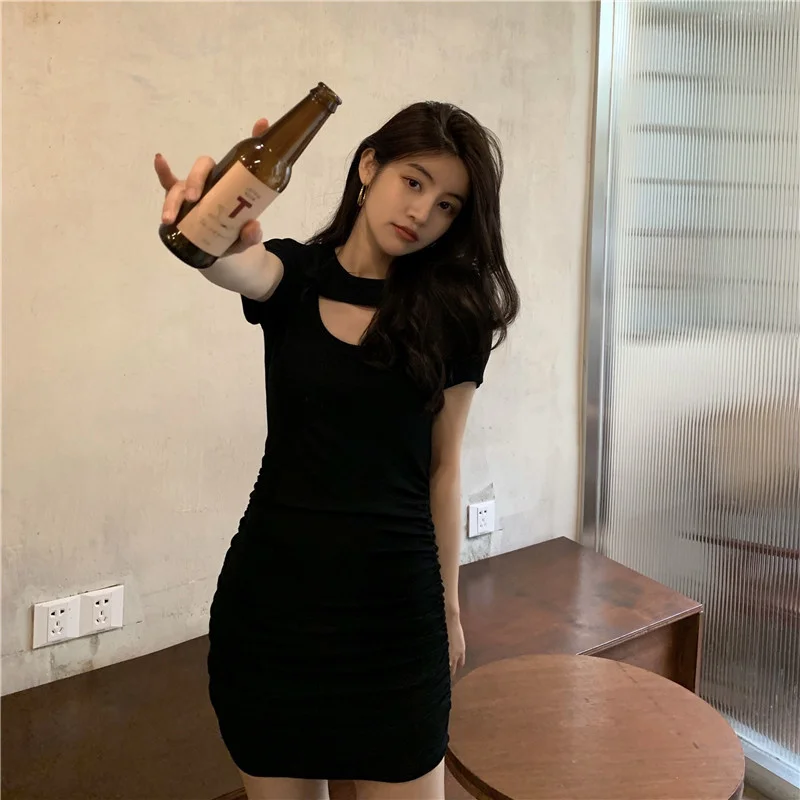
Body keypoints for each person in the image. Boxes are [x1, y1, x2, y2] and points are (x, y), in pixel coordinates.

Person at [154, 100, 520, 800]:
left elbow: (445, 470)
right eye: (413, 181)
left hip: (396, 618)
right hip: (271, 613)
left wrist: (449, 609)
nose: (422, 213)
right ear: (369, 166)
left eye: (447, 205)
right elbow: (230, 264)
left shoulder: (455, 315)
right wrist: (204, 223)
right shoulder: (294, 276)